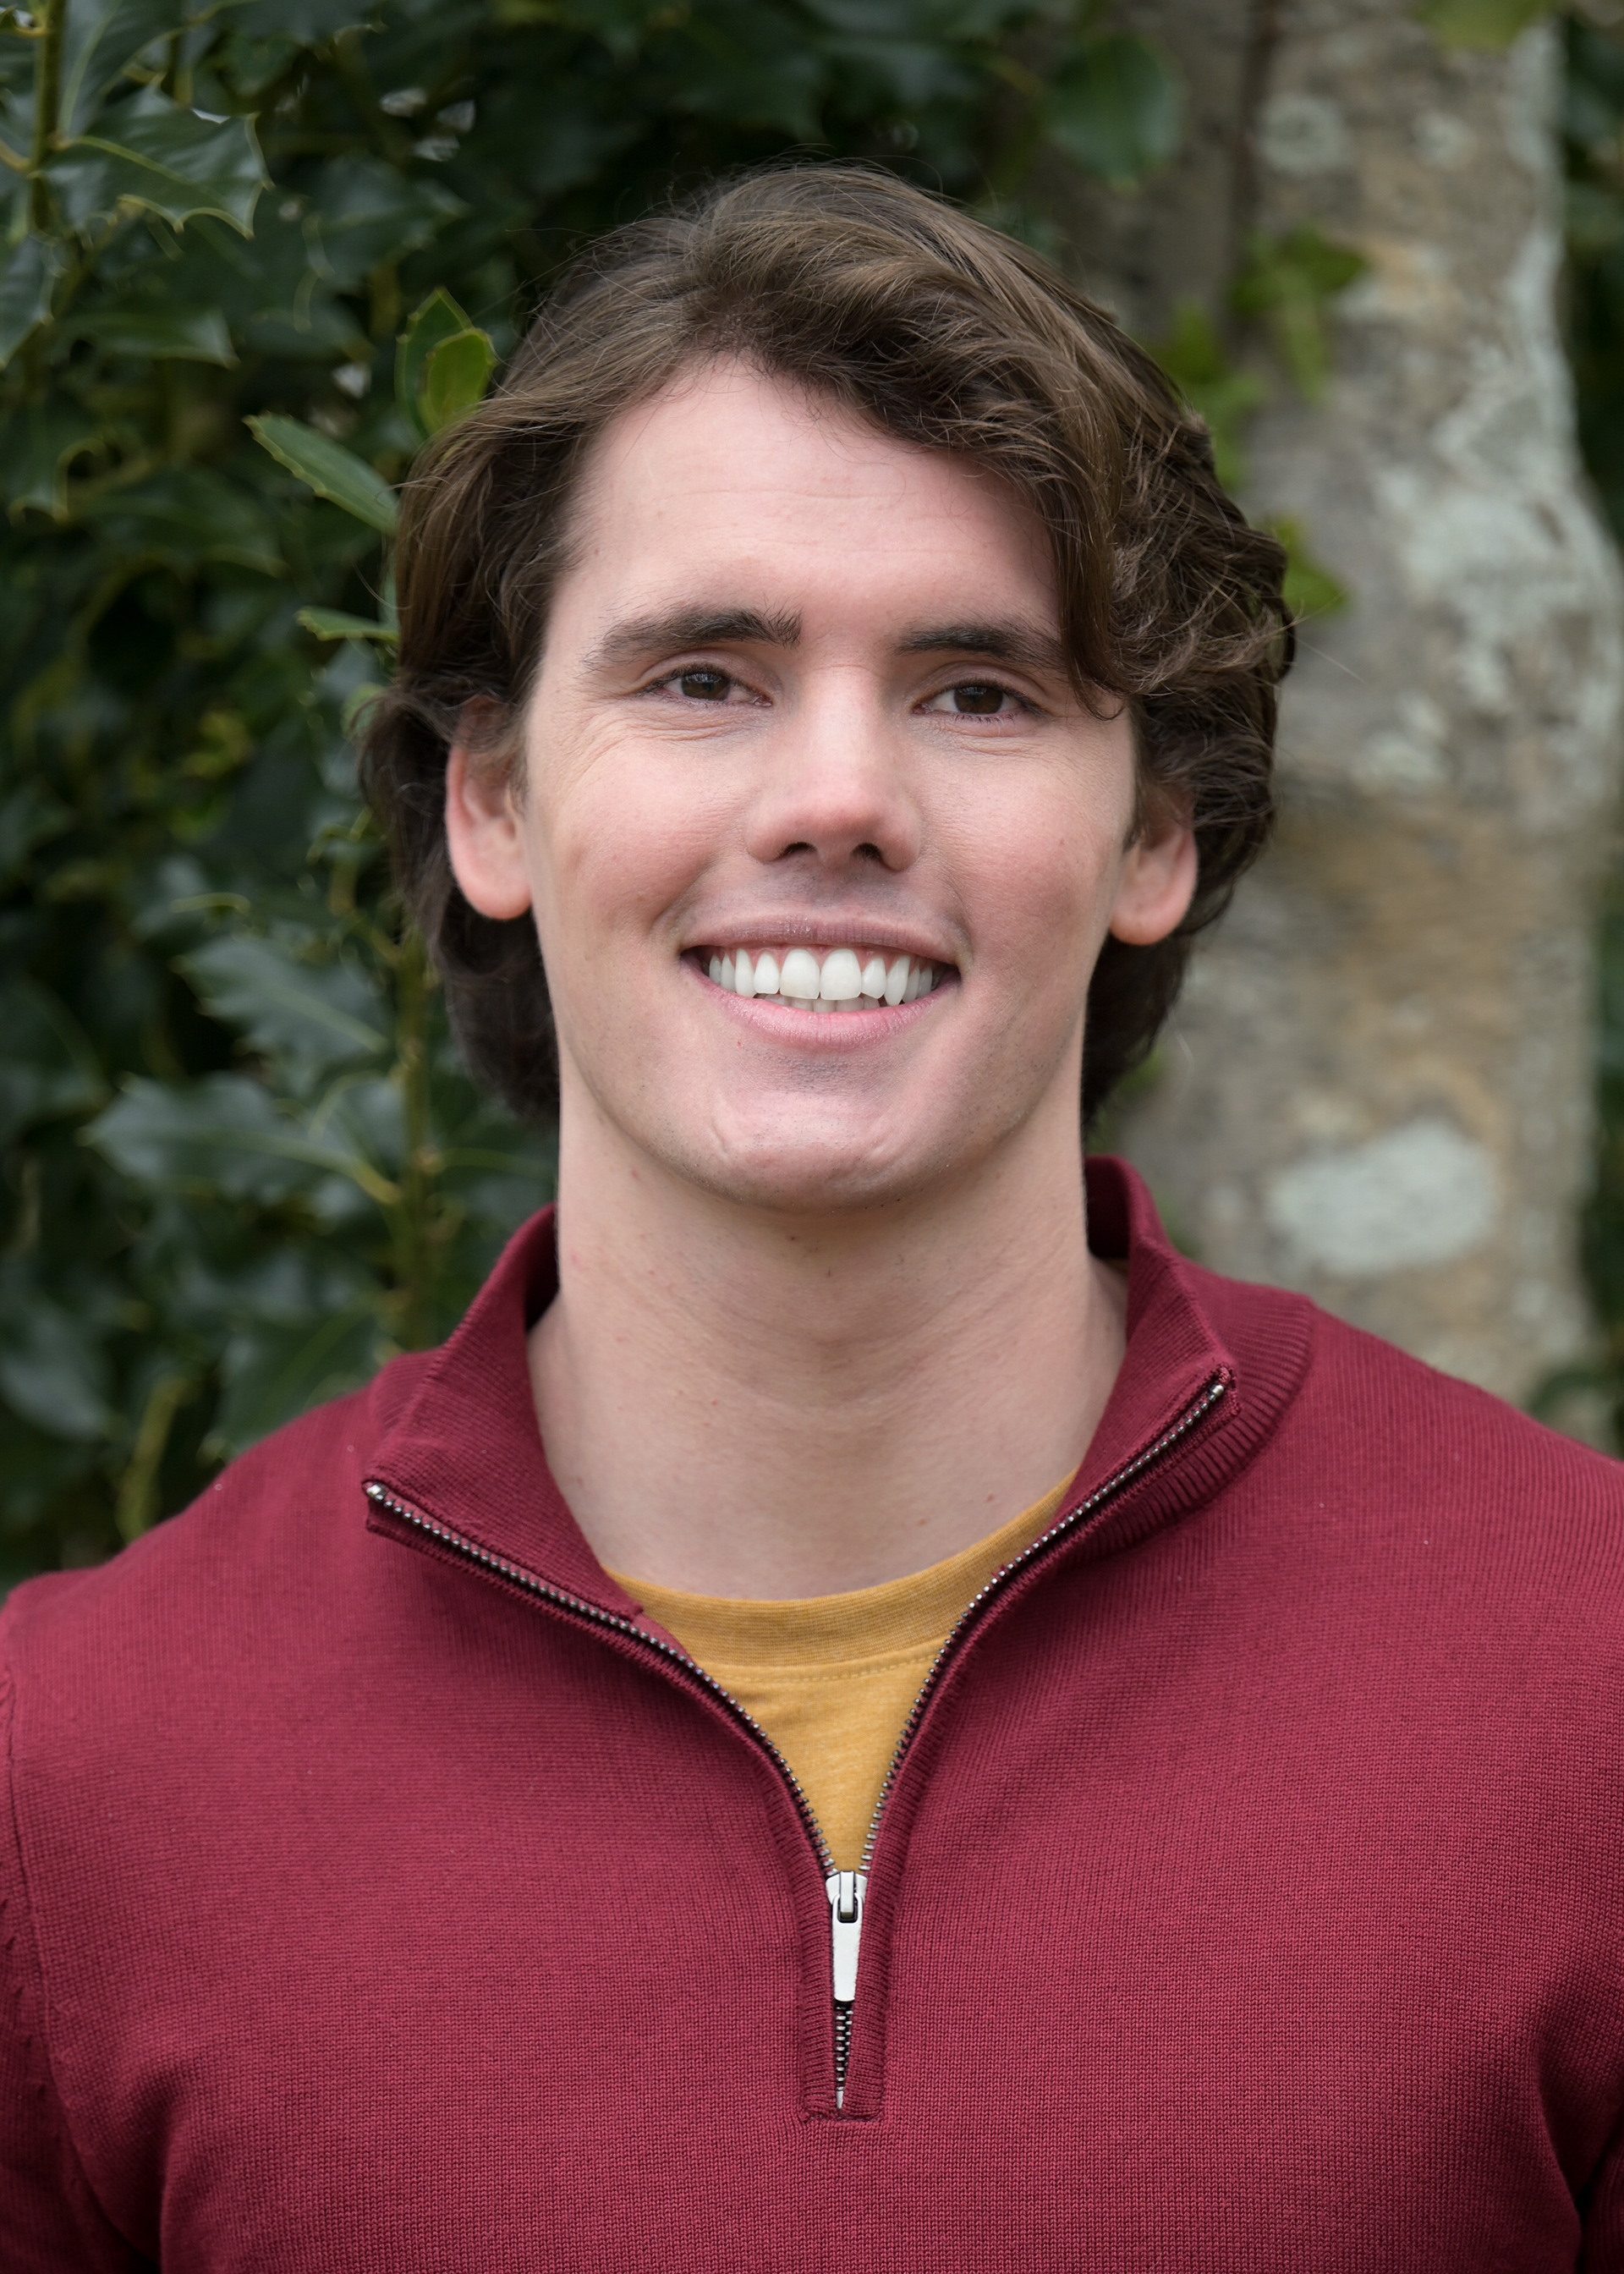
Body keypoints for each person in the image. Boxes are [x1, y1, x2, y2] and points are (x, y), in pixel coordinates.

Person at [3, 164, 1622, 2274]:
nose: (837, 797)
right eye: (705, 677)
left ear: (1154, 831)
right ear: (492, 799)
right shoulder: (74, 1779)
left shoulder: (1588, 1682)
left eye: (978, 691)